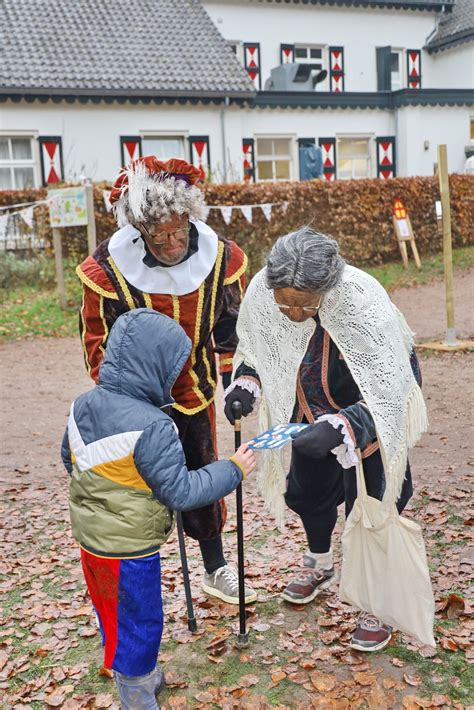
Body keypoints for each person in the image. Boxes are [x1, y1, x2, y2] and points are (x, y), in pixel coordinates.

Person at [224, 227, 427, 652]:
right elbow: (258, 348)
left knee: (372, 505)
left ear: (327, 289)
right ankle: (319, 561)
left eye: (305, 303)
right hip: (307, 414)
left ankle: (375, 603)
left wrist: (345, 425)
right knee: (306, 494)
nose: (294, 313)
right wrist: (246, 383)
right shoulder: (265, 293)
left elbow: (393, 384)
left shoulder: (361, 299)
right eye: (286, 302)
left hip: (366, 419)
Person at [76, 156, 256, 605]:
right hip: (134, 405)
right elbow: (97, 344)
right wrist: (121, 401)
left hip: (195, 393)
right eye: (160, 235)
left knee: (200, 477)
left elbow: (237, 329)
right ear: (141, 230)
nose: (173, 242)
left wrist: (237, 381)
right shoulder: (109, 269)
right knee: (134, 492)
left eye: (180, 230)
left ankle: (215, 569)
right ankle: (137, 577)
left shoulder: (220, 258)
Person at [61, 308, 256, 709]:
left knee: (112, 612)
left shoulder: (83, 405)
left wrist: (108, 492)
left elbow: (70, 457)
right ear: (157, 367)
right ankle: (136, 691)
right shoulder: (153, 425)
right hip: (129, 551)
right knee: (142, 622)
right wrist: (232, 469)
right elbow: (181, 492)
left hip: (91, 541)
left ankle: (141, 675)